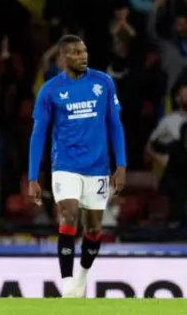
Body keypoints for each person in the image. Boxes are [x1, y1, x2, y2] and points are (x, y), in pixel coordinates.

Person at [28, 34, 126, 298]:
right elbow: (38, 134)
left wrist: (122, 164)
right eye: (76, 52)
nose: (83, 56)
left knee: (93, 228)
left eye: (84, 51)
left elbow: (115, 125)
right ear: (63, 58)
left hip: (97, 166)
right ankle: (68, 282)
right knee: (68, 215)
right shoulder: (50, 90)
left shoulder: (103, 83)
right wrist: (32, 177)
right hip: (65, 164)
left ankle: (82, 273)